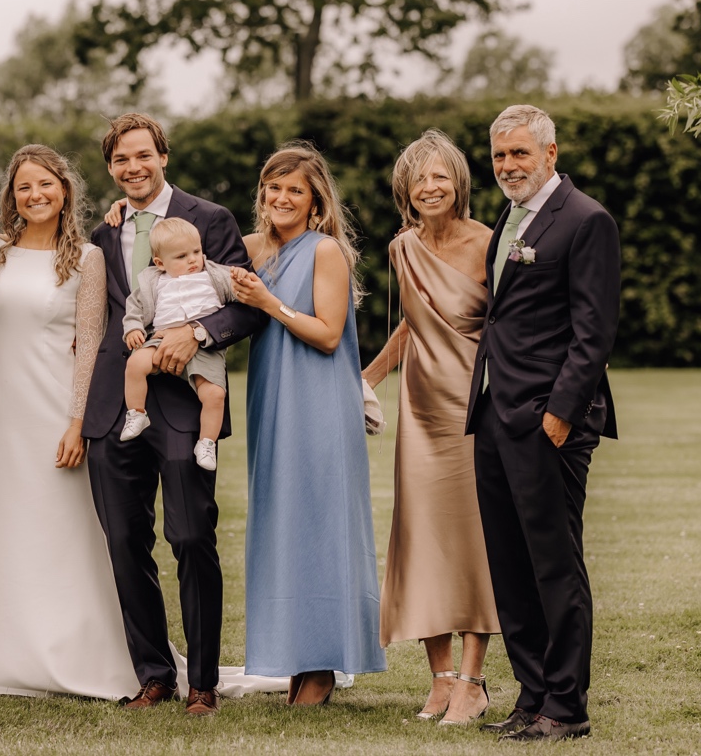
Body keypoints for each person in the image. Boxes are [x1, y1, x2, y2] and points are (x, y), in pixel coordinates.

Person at [83, 113, 264, 717]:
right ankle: (154, 672)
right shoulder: (104, 232)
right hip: (119, 403)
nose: (133, 168)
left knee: (190, 535)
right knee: (124, 541)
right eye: (121, 160)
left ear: (164, 155)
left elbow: (247, 306)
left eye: (143, 156)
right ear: (111, 168)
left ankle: (204, 682)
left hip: (189, 401)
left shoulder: (211, 220)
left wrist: (199, 332)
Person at [0, 144, 141, 701]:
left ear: (65, 190)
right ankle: (6, 655)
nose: (34, 195)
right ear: (11, 197)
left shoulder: (87, 258)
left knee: (65, 525)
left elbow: (88, 342)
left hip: (56, 404)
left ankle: (75, 650)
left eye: (45, 184)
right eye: (23, 187)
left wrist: (76, 420)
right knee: (5, 523)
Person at [465, 105, 620, 741]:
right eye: (500, 156)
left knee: (555, 564)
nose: (508, 167)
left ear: (550, 154)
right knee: (509, 562)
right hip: (495, 413)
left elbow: (594, 332)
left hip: (547, 421)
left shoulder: (586, 221)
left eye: (520, 154)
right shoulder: (509, 216)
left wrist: (559, 417)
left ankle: (567, 707)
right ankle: (531, 696)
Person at [229, 143, 386, 705]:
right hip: (271, 399)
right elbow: (184, 248)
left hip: (318, 402)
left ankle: (321, 664)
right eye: (274, 188)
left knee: (319, 522)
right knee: (282, 523)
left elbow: (326, 333)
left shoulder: (326, 252)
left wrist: (268, 302)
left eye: (295, 190)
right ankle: (294, 656)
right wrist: (124, 214)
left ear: (316, 201)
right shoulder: (252, 250)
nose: (282, 198)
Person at [362, 129, 500, 724]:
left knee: (473, 540)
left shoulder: (492, 244)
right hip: (420, 412)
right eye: (419, 178)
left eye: (441, 175)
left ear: (460, 183)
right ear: (405, 191)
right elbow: (412, 327)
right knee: (418, 538)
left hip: (474, 407)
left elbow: (510, 327)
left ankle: (473, 681)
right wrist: (363, 378)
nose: (430, 186)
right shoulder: (402, 249)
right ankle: (440, 679)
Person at [120, 217, 237, 472]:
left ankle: (206, 443)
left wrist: (243, 281)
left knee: (215, 395)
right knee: (135, 363)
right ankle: (137, 413)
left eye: (196, 251)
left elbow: (237, 292)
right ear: (161, 263)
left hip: (204, 347)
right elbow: (134, 308)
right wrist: (133, 329)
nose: (193, 259)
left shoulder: (213, 274)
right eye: (182, 256)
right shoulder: (154, 280)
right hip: (161, 338)